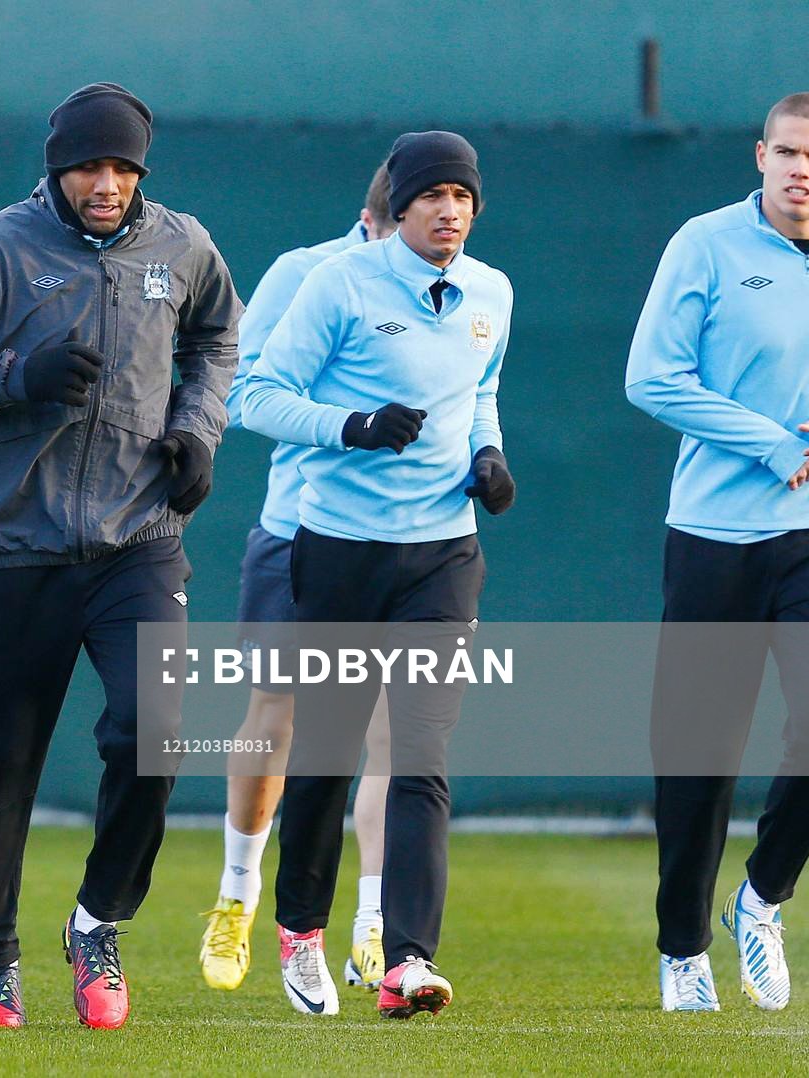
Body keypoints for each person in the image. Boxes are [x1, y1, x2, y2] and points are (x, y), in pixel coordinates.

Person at [0, 82, 241, 1029]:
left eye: (124, 168)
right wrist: (14, 376)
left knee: (156, 730)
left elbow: (216, 339)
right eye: (90, 167)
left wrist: (197, 430)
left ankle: (97, 921)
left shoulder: (182, 246)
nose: (108, 184)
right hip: (20, 543)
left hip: (139, 539)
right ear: (57, 171)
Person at [626, 92, 809, 1013]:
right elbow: (652, 378)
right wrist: (773, 446)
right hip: (715, 535)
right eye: (786, 153)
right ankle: (683, 950)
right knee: (699, 751)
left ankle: (762, 898)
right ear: (760, 156)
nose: (799, 170)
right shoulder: (703, 244)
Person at [237, 130, 513, 1019]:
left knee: (422, 757)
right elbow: (256, 396)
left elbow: (482, 391)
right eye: (432, 195)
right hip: (341, 550)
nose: (449, 211)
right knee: (325, 755)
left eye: (462, 197)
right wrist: (350, 427)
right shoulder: (338, 283)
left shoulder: (492, 291)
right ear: (398, 205)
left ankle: (408, 961)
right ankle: (300, 931)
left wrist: (488, 455)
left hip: (444, 556)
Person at [199, 163, 396, 1000]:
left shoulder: (463, 288)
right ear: (373, 220)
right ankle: (237, 895)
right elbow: (244, 394)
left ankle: (376, 926)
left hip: (409, 545)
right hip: (298, 532)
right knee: (275, 717)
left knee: (395, 731)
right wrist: (352, 425)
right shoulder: (304, 272)